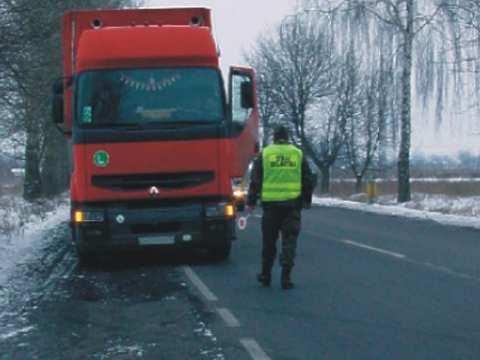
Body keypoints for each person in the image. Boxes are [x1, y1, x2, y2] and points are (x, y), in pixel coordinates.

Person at [246, 125, 316, 289]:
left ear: (275, 138)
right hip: (292, 206)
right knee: (289, 241)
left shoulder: (266, 153)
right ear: (288, 137)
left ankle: (266, 275)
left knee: (269, 243)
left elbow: (256, 180)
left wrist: (250, 201)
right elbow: (308, 179)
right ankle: (286, 278)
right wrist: (306, 199)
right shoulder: (297, 154)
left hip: (270, 207)